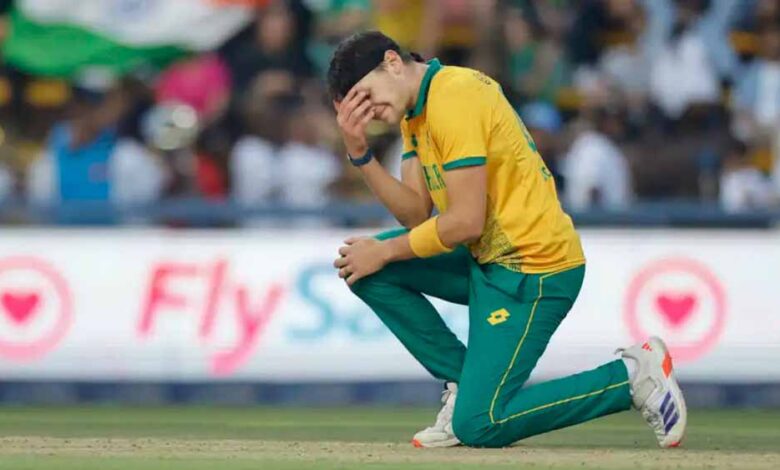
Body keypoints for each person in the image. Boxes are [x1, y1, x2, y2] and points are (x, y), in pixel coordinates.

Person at [327, 31, 687, 449]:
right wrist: (360, 154)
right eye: (355, 107)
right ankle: (463, 385)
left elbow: (465, 223)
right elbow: (415, 215)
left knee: (480, 424)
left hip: (533, 270)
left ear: (392, 63)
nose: (368, 112)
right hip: (486, 261)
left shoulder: (453, 96)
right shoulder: (415, 111)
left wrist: (386, 250)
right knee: (364, 267)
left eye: (365, 97)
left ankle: (631, 379)